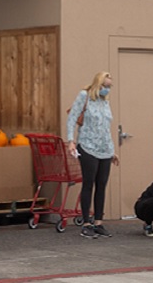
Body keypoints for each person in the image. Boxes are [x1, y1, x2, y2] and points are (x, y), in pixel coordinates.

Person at [65, 71, 119, 238]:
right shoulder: (85, 96)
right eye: (105, 86)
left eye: (109, 87)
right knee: (89, 183)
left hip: (105, 148)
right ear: (98, 84)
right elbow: (72, 118)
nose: (107, 90)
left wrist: (112, 150)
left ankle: (98, 223)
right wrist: (71, 140)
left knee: (101, 185)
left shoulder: (105, 102)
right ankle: (86, 222)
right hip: (88, 146)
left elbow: (105, 127)